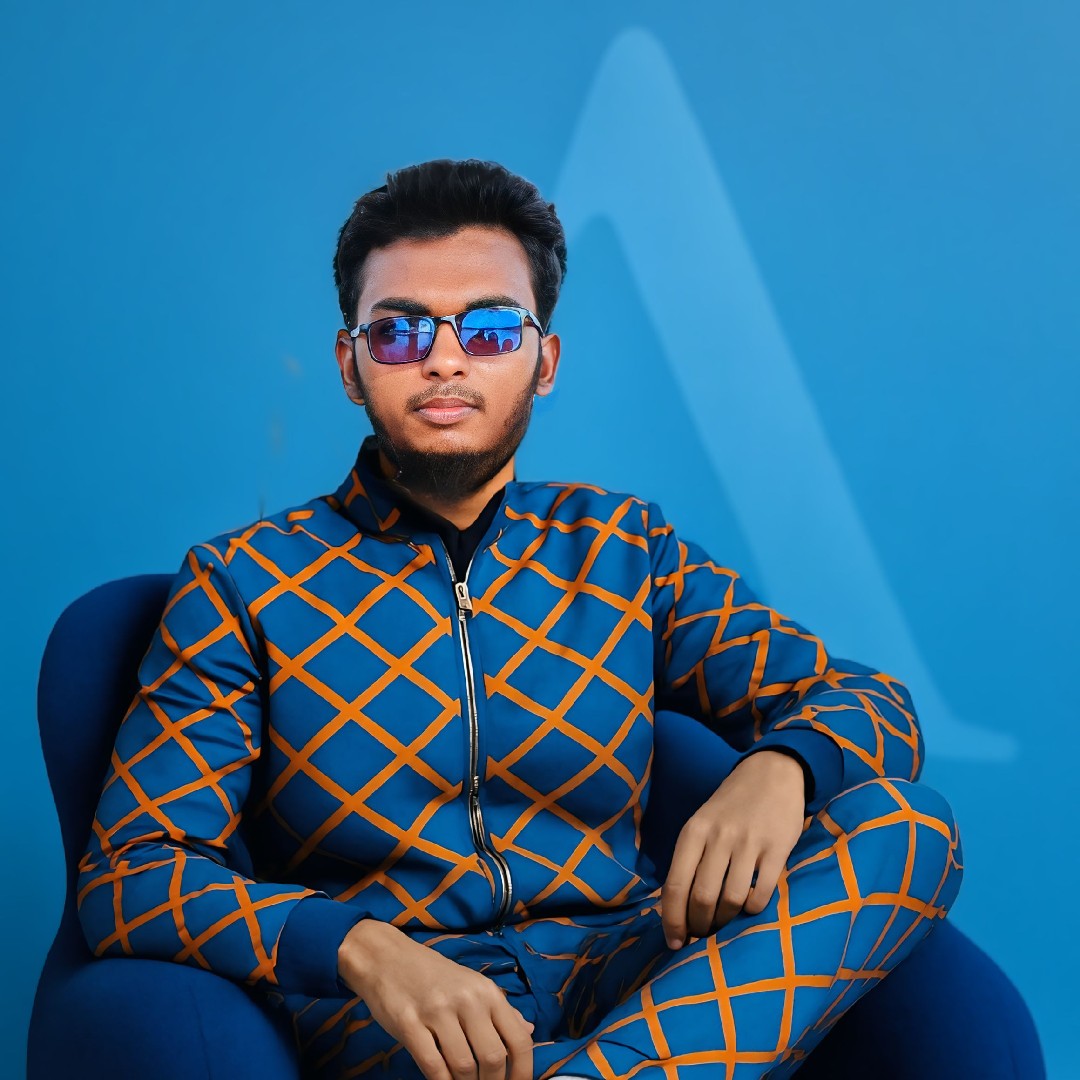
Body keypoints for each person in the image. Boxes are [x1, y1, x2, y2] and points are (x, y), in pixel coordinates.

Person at [76, 158, 963, 1080]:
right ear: (350, 366)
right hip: (401, 1020)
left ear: (545, 362)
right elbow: (132, 872)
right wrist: (362, 951)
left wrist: (784, 768)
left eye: (491, 329)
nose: (444, 358)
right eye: (398, 331)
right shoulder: (244, 583)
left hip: (635, 976)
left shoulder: (625, 549)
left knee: (907, 824)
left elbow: (871, 704)